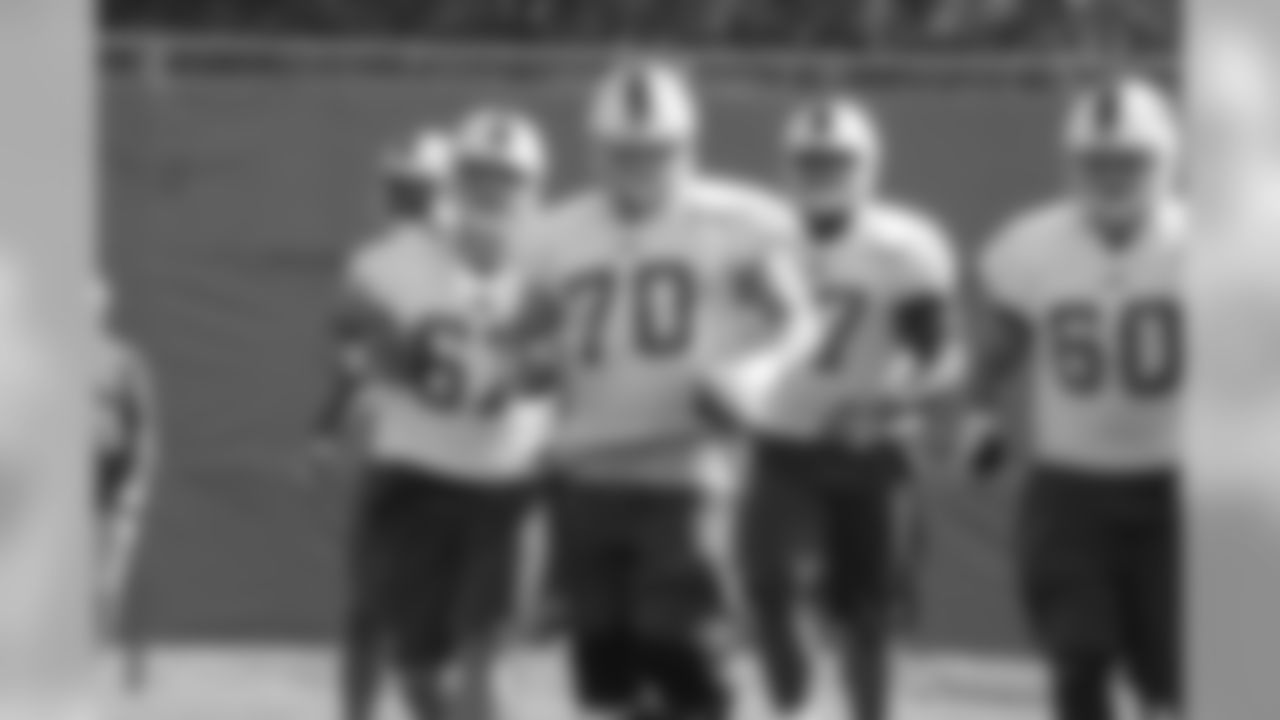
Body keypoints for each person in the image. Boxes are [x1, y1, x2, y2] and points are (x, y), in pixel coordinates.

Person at [526, 57, 820, 720]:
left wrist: (750, 376)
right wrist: (521, 367)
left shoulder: (737, 222)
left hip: (685, 467)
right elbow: (528, 335)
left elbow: (798, 323)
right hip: (586, 469)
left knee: (680, 650)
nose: (639, 165)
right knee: (605, 672)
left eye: (654, 151)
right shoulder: (554, 233)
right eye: (624, 151)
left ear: (685, 146)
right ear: (597, 148)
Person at [321, 111, 556, 720]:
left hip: (508, 483)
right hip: (416, 478)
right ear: (453, 181)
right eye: (479, 176)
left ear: (533, 188)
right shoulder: (390, 261)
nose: (492, 191)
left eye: (507, 179)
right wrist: (396, 357)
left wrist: (528, 368)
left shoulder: (559, 259)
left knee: (484, 665)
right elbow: (351, 332)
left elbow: (574, 361)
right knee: (420, 671)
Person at [734, 95, 962, 720]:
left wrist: (888, 405)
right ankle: (793, 696)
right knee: (767, 585)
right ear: (787, 167)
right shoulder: (759, 240)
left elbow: (939, 354)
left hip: (869, 451)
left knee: (868, 615)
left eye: (836, 162)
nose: (822, 174)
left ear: (867, 166)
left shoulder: (902, 246)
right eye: (810, 162)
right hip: (781, 439)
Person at [968, 74, 1185, 720]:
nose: (1112, 177)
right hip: (1072, 490)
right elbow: (1001, 344)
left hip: (1179, 485)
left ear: (1165, 162)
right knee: (1080, 654)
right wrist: (979, 413)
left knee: (1173, 679)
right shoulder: (1034, 245)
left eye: (1129, 161)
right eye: (1098, 162)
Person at [313, 127, 454, 720]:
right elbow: (352, 355)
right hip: (397, 447)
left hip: (455, 456)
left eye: (417, 191)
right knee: (373, 605)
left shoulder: (471, 262)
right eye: (401, 190)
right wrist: (327, 423)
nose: (406, 203)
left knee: (423, 623)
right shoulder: (374, 265)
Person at [94, 320, 160, 690]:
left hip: (117, 476)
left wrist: (138, 484)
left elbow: (148, 428)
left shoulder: (126, 360)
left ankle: (132, 660)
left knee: (119, 573)